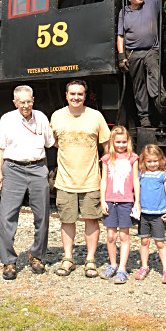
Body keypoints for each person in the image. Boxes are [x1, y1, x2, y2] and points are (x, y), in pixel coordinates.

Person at [0, 85, 55, 281]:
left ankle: (37, 256)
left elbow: (51, 143)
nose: (26, 105)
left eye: (29, 101)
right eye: (22, 102)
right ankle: (8, 260)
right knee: (7, 217)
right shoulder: (7, 119)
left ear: (33, 100)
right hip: (14, 169)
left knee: (42, 215)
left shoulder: (42, 117)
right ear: (15, 103)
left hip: (37, 169)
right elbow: (0, 149)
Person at [50, 79, 110, 278]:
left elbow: (106, 147)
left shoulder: (96, 117)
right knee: (67, 220)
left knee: (91, 220)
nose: (76, 97)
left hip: (91, 179)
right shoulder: (57, 117)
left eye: (80, 94)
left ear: (85, 96)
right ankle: (68, 258)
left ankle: (90, 259)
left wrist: (108, 175)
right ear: (66, 95)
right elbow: (54, 142)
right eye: (72, 94)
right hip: (65, 180)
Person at [117, 0, 166, 127]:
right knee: (139, 86)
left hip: (151, 49)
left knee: (154, 71)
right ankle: (144, 118)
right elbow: (120, 35)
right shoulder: (124, 13)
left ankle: (161, 99)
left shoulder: (151, 2)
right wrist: (121, 56)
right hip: (133, 53)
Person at [100, 126, 140, 284]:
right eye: (118, 142)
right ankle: (112, 265)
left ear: (128, 142)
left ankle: (122, 268)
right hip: (110, 200)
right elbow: (103, 180)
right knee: (111, 236)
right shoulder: (107, 159)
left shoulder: (132, 158)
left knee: (124, 235)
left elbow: (136, 180)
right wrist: (102, 200)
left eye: (124, 142)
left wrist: (137, 201)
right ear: (112, 142)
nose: (121, 145)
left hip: (126, 201)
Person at [135, 143, 166, 282]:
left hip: (158, 214)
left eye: (155, 161)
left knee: (160, 243)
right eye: (149, 161)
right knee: (144, 241)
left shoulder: (163, 176)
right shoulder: (141, 175)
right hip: (144, 213)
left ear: (160, 160)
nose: (152, 164)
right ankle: (144, 266)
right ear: (144, 161)